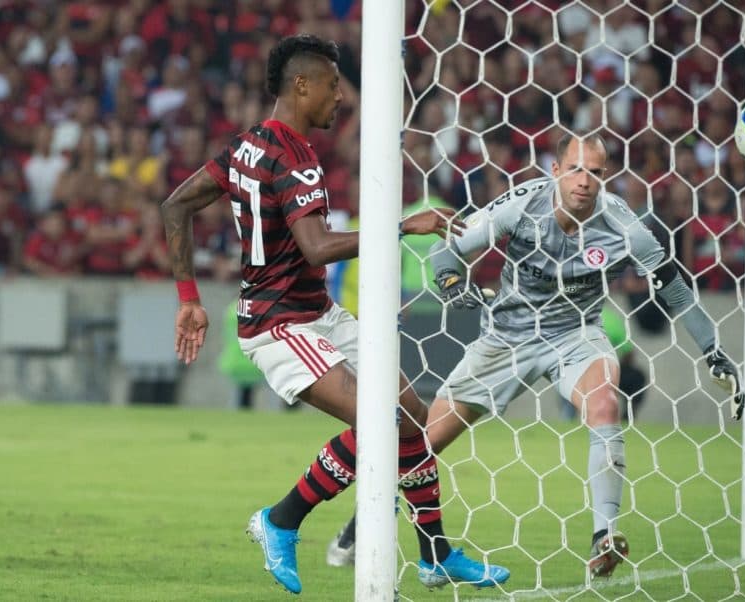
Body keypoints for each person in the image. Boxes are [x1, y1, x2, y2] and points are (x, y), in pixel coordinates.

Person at [159, 34, 510, 594]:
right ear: (301, 84)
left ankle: (436, 555)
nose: (340, 97)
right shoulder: (294, 159)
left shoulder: (248, 144)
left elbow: (175, 203)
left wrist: (188, 299)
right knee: (380, 424)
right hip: (281, 325)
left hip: (314, 312)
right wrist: (400, 225)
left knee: (410, 418)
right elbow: (317, 247)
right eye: (332, 84)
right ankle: (281, 520)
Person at [326, 130, 745, 579]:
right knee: (423, 444)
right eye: (576, 169)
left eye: (596, 172)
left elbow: (677, 290)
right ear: (556, 171)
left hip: (575, 335)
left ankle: (603, 536)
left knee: (606, 403)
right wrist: (451, 283)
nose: (585, 180)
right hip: (506, 338)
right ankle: (357, 526)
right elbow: (448, 248)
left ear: (607, 178)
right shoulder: (520, 205)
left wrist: (712, 350)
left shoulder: (625, 226)